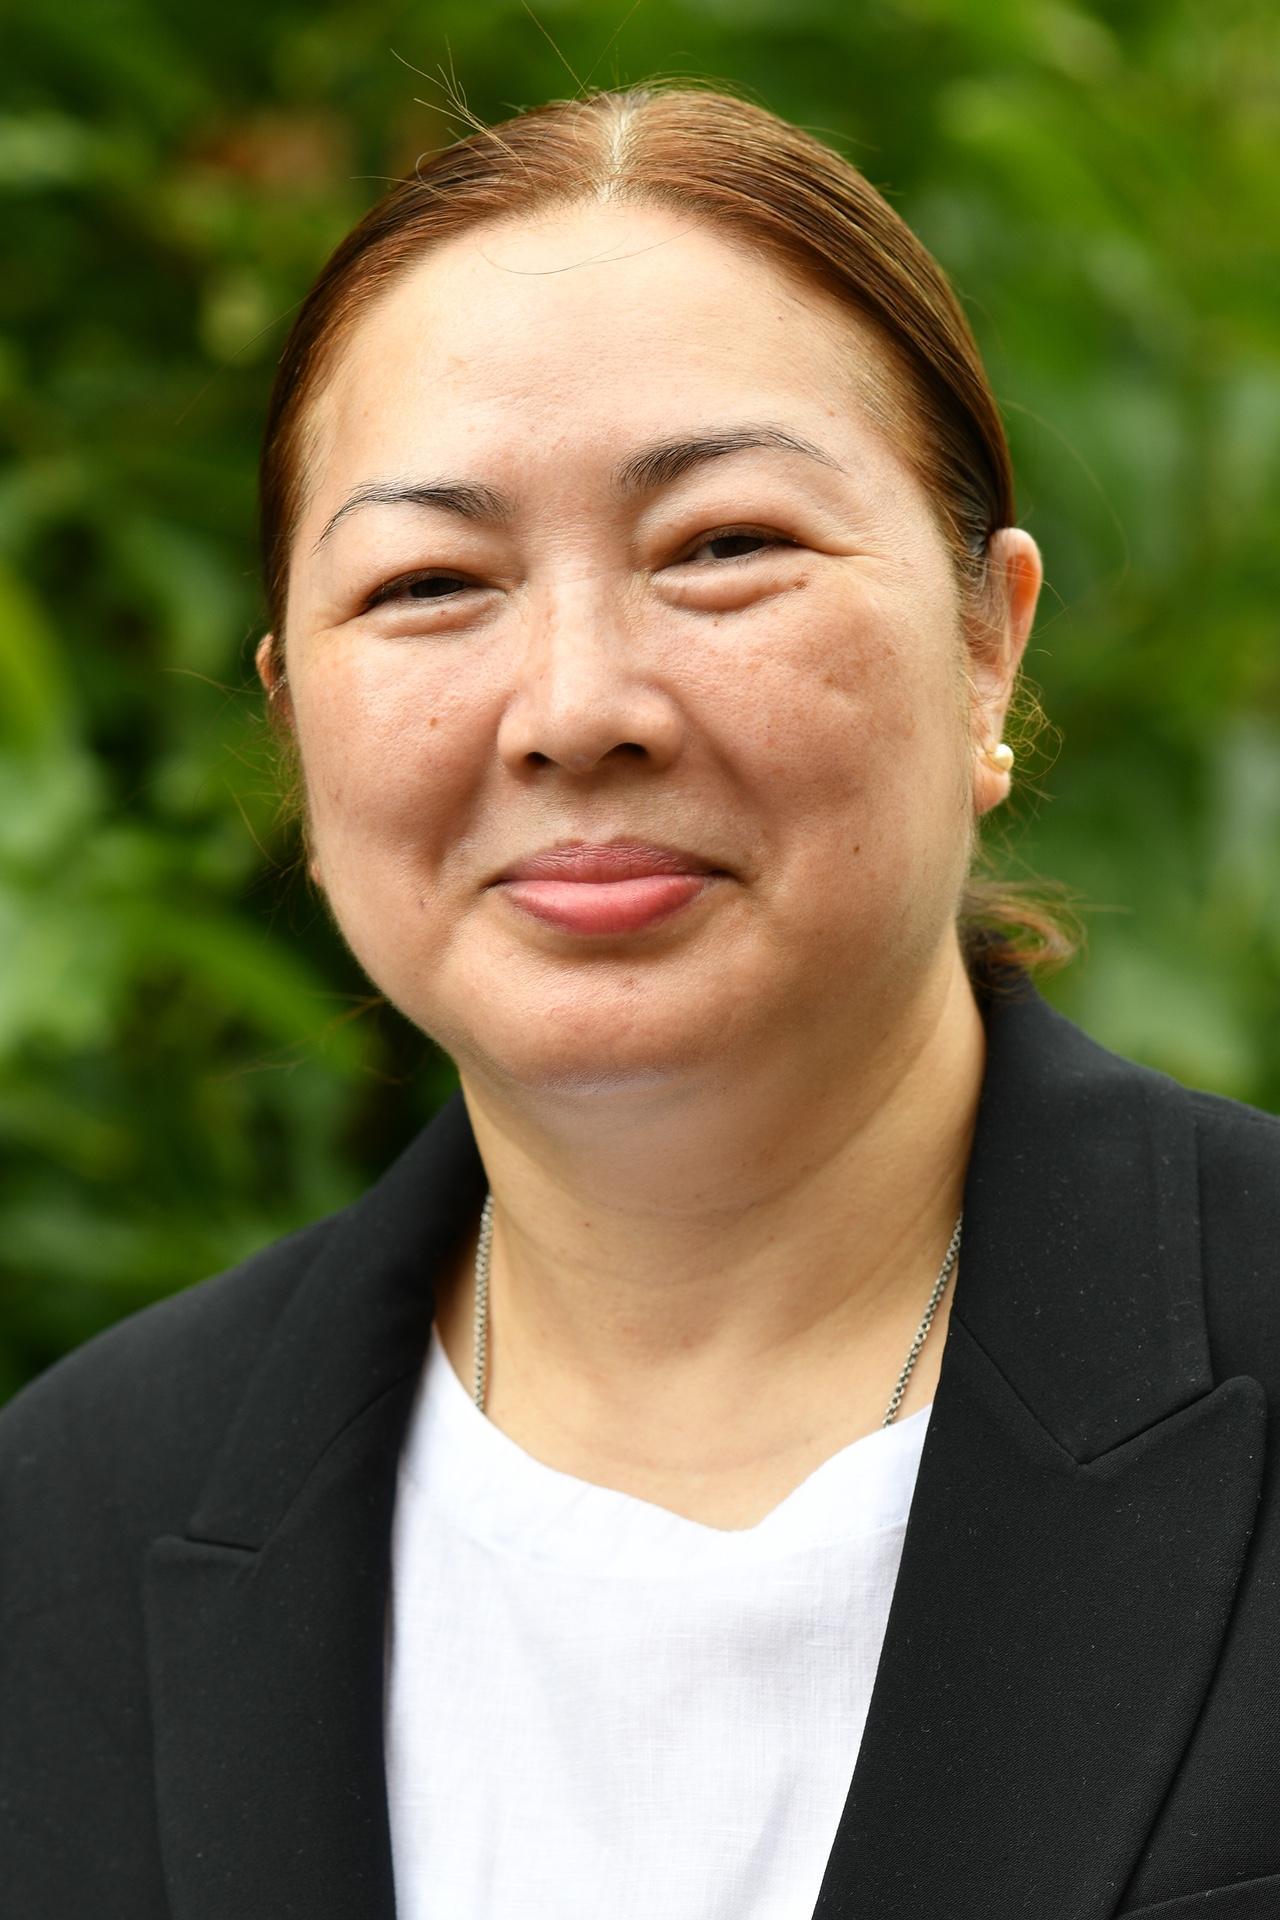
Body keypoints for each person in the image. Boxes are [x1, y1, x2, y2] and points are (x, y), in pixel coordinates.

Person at [1, 83, 1277, 1920]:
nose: (576, 706)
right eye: (430, 583)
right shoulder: (69, 1528)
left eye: (721, 546)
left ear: (987, 642)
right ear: (294, 724)